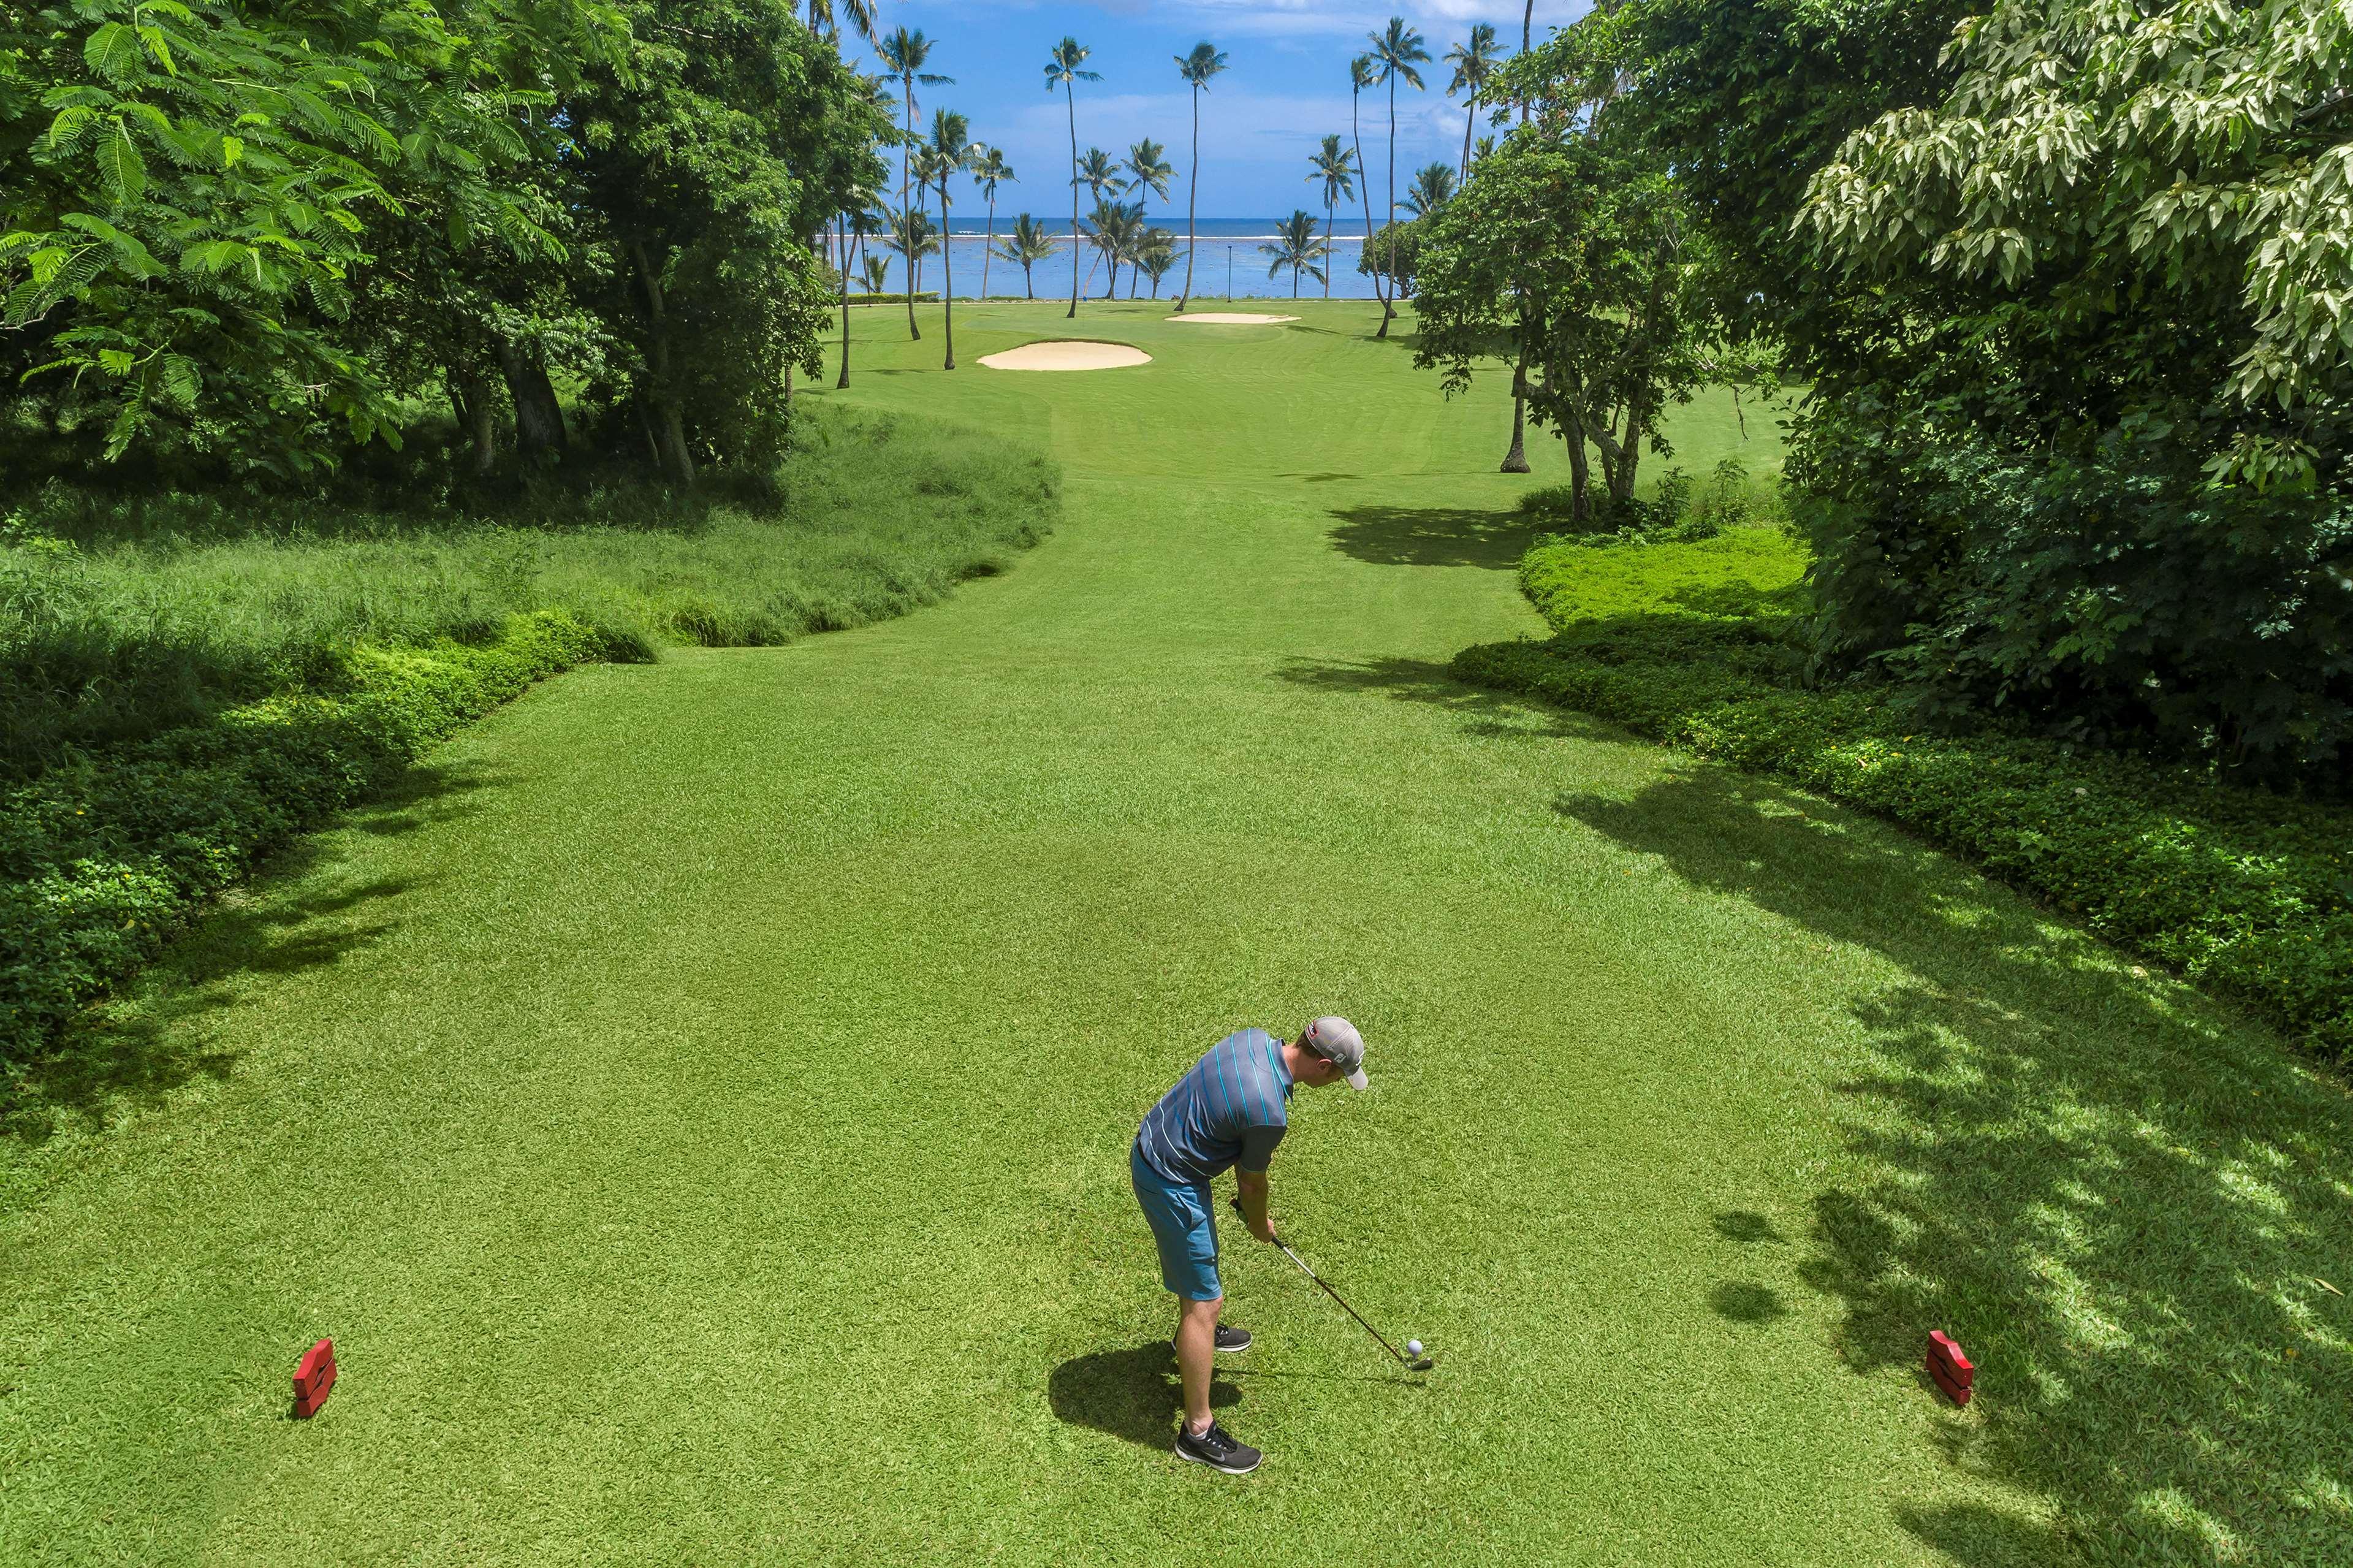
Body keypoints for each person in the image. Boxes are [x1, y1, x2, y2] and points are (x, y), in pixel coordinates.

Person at [1130, 1016, 1368, 1474]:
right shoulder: (1267, 1111)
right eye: (1340, 1075)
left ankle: (1195, 1338)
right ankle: (1197, 1433)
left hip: (1160, 1140)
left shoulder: (1252, 1039)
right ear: (1323, 1065)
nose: (1338, 1083)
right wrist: (1260, 1225)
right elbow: (1252, 1186)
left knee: (1203, 1271)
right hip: (1169, 1177)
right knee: (1205, 1301)